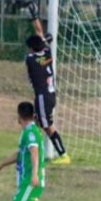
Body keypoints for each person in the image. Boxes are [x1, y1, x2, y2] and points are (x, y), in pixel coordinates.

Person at [25, 10, 70, 165]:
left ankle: (63, 154)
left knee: (47, 127)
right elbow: (39, 32)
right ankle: (32, 153)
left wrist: (35, 20)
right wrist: (34, 17)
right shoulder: (47, 52)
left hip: (43, 97)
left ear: (31, 49)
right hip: (49, 95)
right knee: (37, 124)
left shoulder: (30, 59)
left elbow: (39, 35)